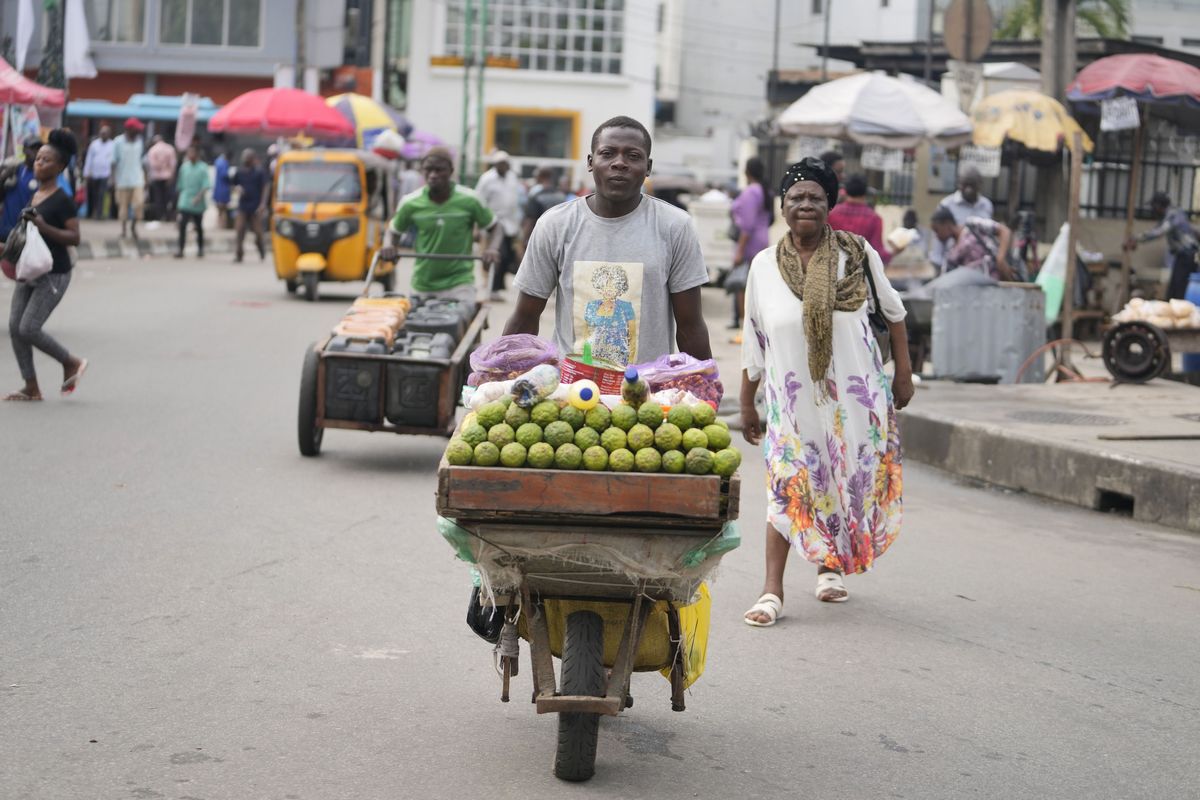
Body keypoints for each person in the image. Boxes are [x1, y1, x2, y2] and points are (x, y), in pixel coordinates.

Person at [740, 157, 913, 627]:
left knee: (843, 477)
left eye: (816, 197)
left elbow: (894, 314)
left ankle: (829, 566)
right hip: (791, 400)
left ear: (830, 204)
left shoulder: (856, 255)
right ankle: (771, 590)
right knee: (788, 484)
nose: (805, 205)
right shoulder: (763, 266)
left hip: (854, 398)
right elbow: (755, 337)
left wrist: (903, 374)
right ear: (782, 205)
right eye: (796, 197)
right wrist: (746, 402)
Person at [505, 115, 712, 365]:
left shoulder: (675, 226)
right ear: (591, 162)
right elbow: (525, 317)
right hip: (571, 394)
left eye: (633, 156)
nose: (619, 163)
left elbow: (690, 326)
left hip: (646, 393)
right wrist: (498, 377)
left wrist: (705, 385)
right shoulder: (555, 225)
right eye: (608, 153)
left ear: (648, 167)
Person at [5, 129, 88, 402]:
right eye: (38, 158)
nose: (38, 163)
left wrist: (43, 225)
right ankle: (31, 386)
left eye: (46, 160)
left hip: (54, 273)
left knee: (29, 327)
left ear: (60, 166)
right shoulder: (36, 194)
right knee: (16, 327)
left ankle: (71, 362)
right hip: (30, 268)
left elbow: (74, 238)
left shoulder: (62, 199)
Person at [378, 147, 502, 305]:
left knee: (458, 324)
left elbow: (496, 227)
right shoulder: (410, 203)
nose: (433, 175)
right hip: (423, 284)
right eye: (428, 170)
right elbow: (393, 231)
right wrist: (389, 245)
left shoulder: (470, 200)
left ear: (451, 171)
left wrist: (492, 249)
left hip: (459, 283)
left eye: (439, 170)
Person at [727, 156, 774, 337]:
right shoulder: (766, 191)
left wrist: (739, 251)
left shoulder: (751, 192)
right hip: (762, 240)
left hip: (749, 243)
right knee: (756, 284)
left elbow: (746, 225)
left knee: (742, 285)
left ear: (747, 171)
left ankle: (744, 326)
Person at [1124, 191, 1199, 300]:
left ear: (1159, 205)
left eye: (1153, 206)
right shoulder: (1170, 215)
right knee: (1173, 290)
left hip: (1188, 256)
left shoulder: (1173, 214)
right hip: (1183, 256)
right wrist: (1136, 238)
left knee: (1179, 290)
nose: (1152, 210)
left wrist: (1136, 239)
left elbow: (1159, 232)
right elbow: (1156, 229)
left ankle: (1179, 313)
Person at [474, 150, 523, 300]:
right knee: (496, 254)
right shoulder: (487, 179)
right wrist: (477, 226)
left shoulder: (512, 177)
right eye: (500, 164)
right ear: (495, 165)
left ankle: (498, 286)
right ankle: (491, 288)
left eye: (505, 163)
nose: (503, 166)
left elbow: (515, 202)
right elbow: (479, 201)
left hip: (510, 223)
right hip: (493, 223)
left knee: (507, 257)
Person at [932, 166, 993, 272]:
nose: (968, 189)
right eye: (965, 185)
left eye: (972, 185)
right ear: (959, 184)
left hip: (980, 267)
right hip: (953, 267)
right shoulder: (947, 205)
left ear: (980, 185)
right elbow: (939, 239)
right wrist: (939, 265)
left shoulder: (986, 205)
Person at [930, 206, 1015, 281]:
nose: (936, 236)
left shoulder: (972, 225)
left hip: (1001, 284)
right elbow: (945, 279)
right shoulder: (950, 253)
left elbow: (1004, 231)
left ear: (947, 224)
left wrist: (1000, 259)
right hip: (979, 292)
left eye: (937, 230)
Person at [828, 174, 891, 266]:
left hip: (831, 269)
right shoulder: (874, 219)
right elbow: (878, 253)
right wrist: (894, 251)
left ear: (845, 191)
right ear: (866, 192)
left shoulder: (830, 214)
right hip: (860, 273)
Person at [1, 137, 44, 243]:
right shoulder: (14, 169)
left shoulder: (42, 174)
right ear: (24, 150)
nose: (35, 152)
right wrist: (3, 178)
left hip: (25, 234)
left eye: (38, 149)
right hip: (4, 230)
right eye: (32, 148)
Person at [112, 118, 146, 241]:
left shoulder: (139, 141)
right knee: (123, 208)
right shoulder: (118, 142)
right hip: (122, 180)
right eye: (136, 128)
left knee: (139, 204)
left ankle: (133, 227)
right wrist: (113, 179)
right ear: (129, 129)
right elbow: (113, 161)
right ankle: (124, 230)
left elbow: (142, 161)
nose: (139, 130)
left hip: (137, 179)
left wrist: (146, 178)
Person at [174, 144, 211, 259]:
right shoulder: (184, 167)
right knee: (182, 226)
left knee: (198, 227)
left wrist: (198, 197)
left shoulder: (203, 167)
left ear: (197, 154)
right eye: (188, 153)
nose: (190, 155)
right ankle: (180, 249)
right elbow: (180, 185)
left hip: (198, 203)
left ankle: (200, 249)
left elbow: (206, 185)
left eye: (192, 153)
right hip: (185, 200)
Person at [232, 149, 268, 263]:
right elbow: (233, 184)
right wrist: (237, 188)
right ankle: (239, 254)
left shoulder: (259, 172)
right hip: (243, 206)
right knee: (239, 230)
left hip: (255, 206)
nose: (246, 159)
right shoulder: (239, 172)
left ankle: (261, 249)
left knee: (258, 232)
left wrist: (263, 204)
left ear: (252, 159)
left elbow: (265, 187)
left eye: (248, 157)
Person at [522, 165, 569, 242]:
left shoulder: (536, 194)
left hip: (540, 238)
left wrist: (524, 240)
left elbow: (530, 221)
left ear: (541, 176)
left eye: (536, 176)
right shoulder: (562, 196)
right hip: (559, 238)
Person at [82, 125, 115, 220]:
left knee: (101, 194)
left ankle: (99, 214)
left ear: (109, 134)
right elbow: (89, 159)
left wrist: (112, 176)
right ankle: (91, 212)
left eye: (105, 133)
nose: (104, 135)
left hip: (105, 174)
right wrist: (86, 172)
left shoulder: (112, 145)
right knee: (93, 194)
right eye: (102, 133)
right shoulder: (94, 144)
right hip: (94, 174)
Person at [146, 135, 178, 222]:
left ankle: (160, 216)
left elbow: (152, 165)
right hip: (168, 177)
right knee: (168, 198)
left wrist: (160, 166)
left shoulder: (152, 150)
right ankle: (169, 216)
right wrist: (171, 175)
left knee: (158, 198)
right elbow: (173, 164)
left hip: (157, 177)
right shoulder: (170, 148)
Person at [211, 150, 232, 230]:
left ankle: (219, 224)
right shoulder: (224, 163)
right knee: (223, 209)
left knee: (219, 209)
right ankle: (222, 225)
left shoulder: (218, 161)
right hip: (223, 188)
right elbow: (225, 175)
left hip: (218, 187)